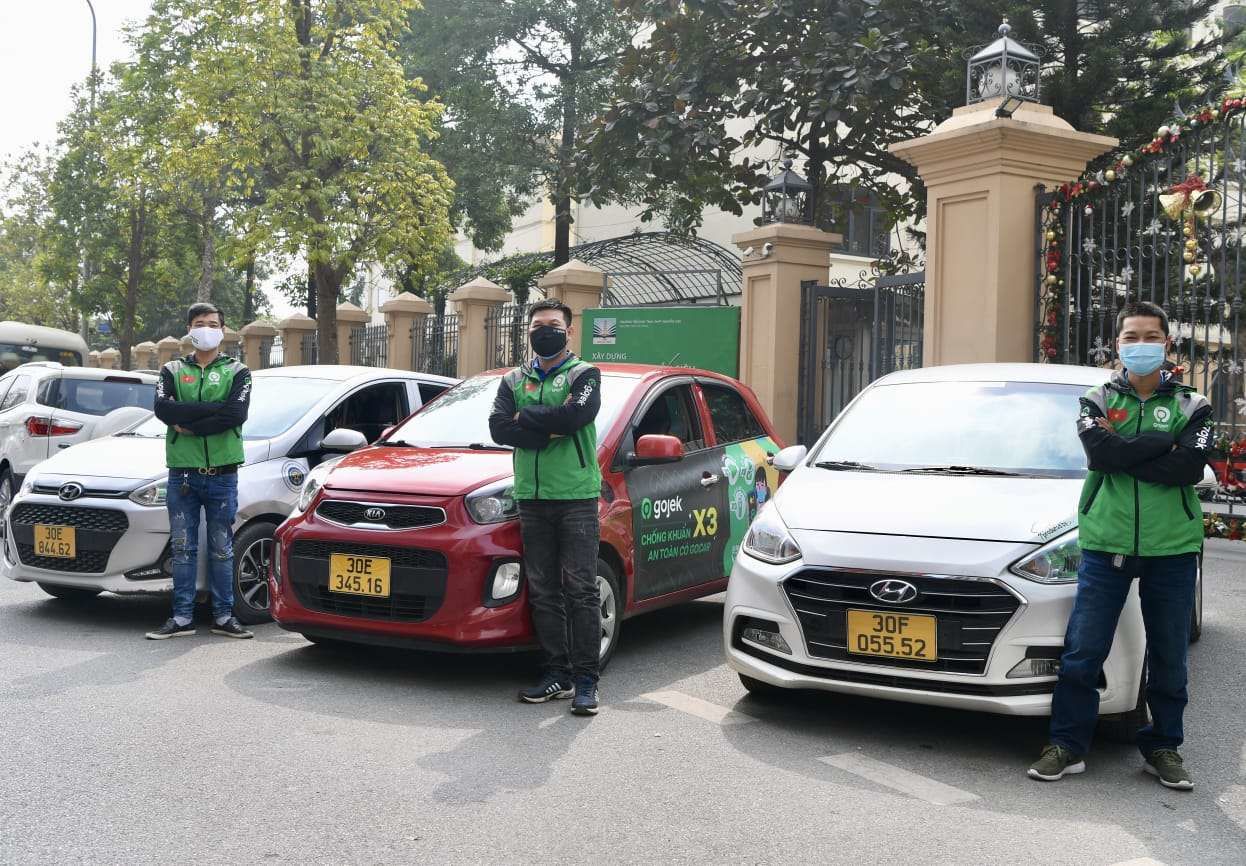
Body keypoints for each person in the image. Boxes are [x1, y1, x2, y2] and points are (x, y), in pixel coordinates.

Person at [1028, 301, 1213, 790]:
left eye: (1150, 336)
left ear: (1167, 344)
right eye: (1131, 337)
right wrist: (1163, 445)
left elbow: (1188, 468)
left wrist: (1126, 451)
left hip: (1172, 547)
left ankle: (1163, 747)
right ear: (1117, 344)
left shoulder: (1193, 404)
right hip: (1105, 542)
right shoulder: (1096, 397)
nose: (1140, 345)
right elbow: (1099, 454)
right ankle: (1067, 745)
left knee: (1170, 653)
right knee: (1083, 651)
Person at [488, 299, 603, 716]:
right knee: (543, 591)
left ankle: (587, 681)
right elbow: (497, 427)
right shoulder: (514, 378)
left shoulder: (584, 374)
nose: (545, 331)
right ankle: (558, 673)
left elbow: (575, 416)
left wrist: (527, 419)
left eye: (553, 325)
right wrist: (542, 430)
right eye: (538, 325)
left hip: (576, 498)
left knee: (582, 590)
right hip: (532, 499)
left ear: (569, 331)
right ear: (529, 331)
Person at [145, 303, 254, 640]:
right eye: (199, 323)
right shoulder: (172, 370)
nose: (205, 328)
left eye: (212, 323)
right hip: (183, 475)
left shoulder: (238, 371)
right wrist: (212, 410)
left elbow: (234, 414)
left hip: (222, 474)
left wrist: (189, 421)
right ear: (189, 329)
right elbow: (163, 408)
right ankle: (181, 618)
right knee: (183, 548)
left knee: (222, 548)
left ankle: (224, 616)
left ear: (223, 330)